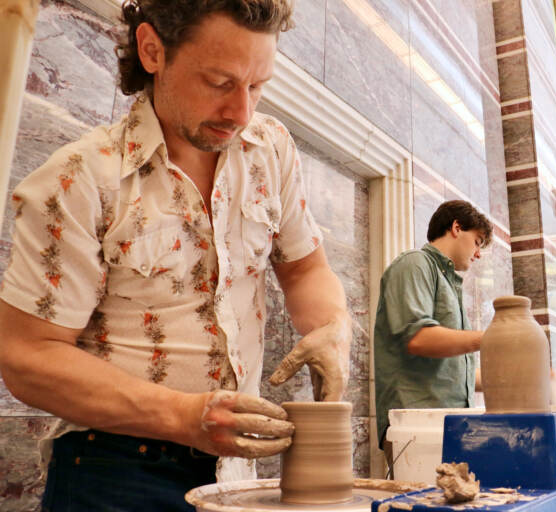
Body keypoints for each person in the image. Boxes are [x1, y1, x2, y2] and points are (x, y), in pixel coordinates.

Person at [0, 1, 352, 509]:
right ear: (152, 50)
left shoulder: (270, 148)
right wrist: (185, 417)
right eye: (218, 82)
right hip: (114, 471)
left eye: (257, 86)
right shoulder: (80, 177)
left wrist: (332, 325)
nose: (242, 112)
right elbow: (26, 357)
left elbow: (306, 270)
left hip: (234, 473)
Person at [373, 200, 492, 472]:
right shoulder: (414, 264)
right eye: (478, 241)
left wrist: (512, 381)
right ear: (456, 227)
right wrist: (490, 339)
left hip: (450, 425)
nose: (478, 254)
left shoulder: (449, 284)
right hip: (414, 426)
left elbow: (453, 373)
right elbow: (419, 339)